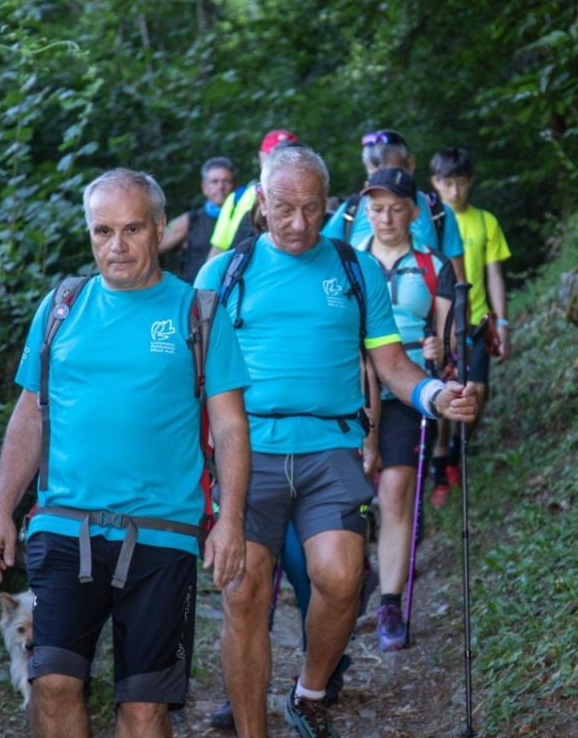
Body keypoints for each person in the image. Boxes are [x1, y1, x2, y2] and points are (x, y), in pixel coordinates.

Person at [195, 145, 476, 738]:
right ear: (261, 204)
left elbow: (393, 365)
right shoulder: (222, 275)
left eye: (312, 209)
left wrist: (435, 395)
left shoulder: (355, 269)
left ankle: (310, 697)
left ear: (331, 206)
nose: (298, 224)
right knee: (244, 591)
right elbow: (191, 380)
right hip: (249, 453)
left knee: (344, 578)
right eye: (285, 209)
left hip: (331, 448)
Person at [0, 168, 252, 738]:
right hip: (61, 525)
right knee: (51, 680)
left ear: (161, 229)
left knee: (143, 702)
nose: (117, 245)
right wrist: (2, 512)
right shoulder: (61, 308)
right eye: (103, 231)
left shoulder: (198, 313)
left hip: (163, 532)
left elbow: (231, 425)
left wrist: (229, 520)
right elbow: (28, 415)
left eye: (132, 229)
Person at [355, 166, 455, 652]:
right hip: (351, 390)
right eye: (377, 208)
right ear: (364, 212)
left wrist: (442, 358)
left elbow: (449, 338)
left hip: (407, 389)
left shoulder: (435, 264)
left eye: (397, 208)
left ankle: (390, 602)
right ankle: (352, 575)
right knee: (350, 497)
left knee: (394, 492)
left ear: (414, 213)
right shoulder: (347, 264)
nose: (386, 218)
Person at [428, 147, 511, 507]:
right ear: (435, 184)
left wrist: (502, 321)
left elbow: (495, 274)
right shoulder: (430, 222)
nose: (455, 190)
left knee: (477, 392)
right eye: (448, 183)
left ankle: (460, 450)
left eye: (461, 182)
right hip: (443, 325)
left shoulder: (486, 221)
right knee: (445, 393)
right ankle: (441, 460)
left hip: (477, 322)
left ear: (470, 182)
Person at [321, 129, 465, 282]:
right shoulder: (351, 211)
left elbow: (459, 284)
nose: (385, 181)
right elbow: (320, 264)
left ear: (410, 164)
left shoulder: (438, 213)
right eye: (374, 176)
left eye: (393, 173)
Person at [208, 129, 298, 260]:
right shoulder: (237, 198)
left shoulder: (308, 197)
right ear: (262, 157)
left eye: (290, 156)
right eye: (275, 156)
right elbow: (218, 250)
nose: (282, 162)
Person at [158, 156, 237, 282]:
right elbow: (151, 247)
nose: (221, 187)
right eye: (214, 182)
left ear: (234, 185)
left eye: (226, 181)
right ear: (204, 187)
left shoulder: (245, 220)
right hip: (197, 296)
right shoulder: (190, 220)